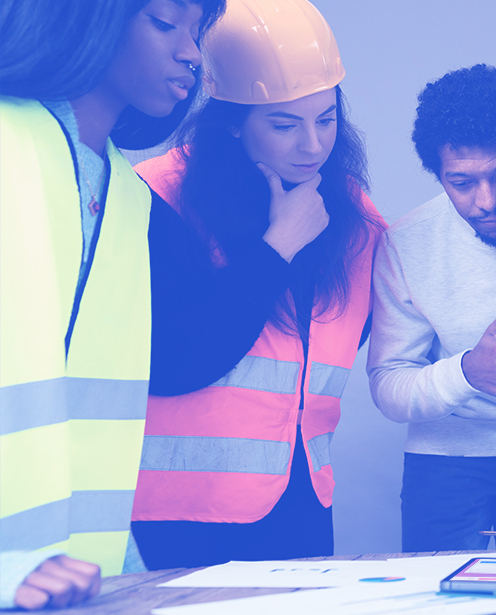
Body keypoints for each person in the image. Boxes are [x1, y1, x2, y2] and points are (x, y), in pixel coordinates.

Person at [128, 0, 384, 569]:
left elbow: (349, 338)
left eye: (326, 118)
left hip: (303, 504)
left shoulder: (351, 214)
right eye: (284, 124)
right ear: (232, 122)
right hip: (182, 514)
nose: (313, 145)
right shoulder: (155, 197)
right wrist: (277, 250)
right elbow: (175, 358)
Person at [0, 0, 225, 609]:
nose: (191, 52)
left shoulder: (127, 195)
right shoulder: (8, 146)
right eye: (163, 22)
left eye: (197, 29)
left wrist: (120, 566)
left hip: (73, 574)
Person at [367, 64, 496, 552]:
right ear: (438, 175)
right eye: (461, 183)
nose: (487, 201)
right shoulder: (407, 242)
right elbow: (387, 384)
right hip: (444, 457)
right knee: (437, 601)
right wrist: (466, 374)